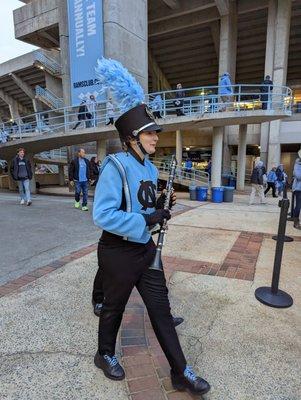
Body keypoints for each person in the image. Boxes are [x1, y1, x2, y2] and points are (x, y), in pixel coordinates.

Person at [92, 57, 211, 396]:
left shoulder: (149, 169)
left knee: (160, 308)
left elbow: (145, 207)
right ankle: (104, 354)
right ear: (132, 137)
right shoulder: (115, 166)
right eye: (150, 134)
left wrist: (161, 207)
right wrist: (147, 218)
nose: (156, 138)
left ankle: (180, 371)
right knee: (113, 307)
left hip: (144, 249)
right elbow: (102, 215)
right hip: (116, 251)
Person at [292, 150, 301, 230]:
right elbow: (298, 176)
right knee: (298, 205)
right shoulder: (297, 164)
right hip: (299, 188)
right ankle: (296, 221)